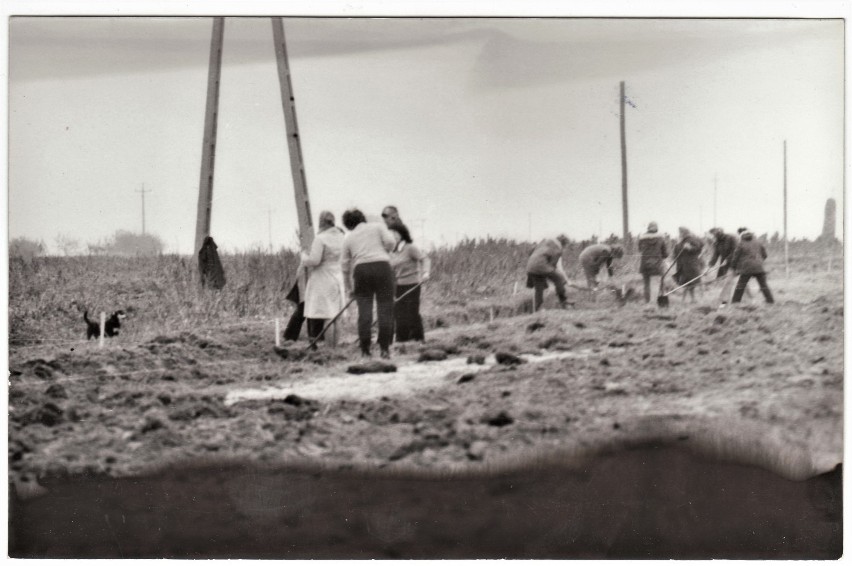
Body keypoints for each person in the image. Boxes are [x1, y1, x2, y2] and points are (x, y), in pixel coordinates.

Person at [341, 208, 397, 358]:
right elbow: (391, 242)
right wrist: (385, 250)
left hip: (361, 271)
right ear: (363, 218)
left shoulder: (349, 237)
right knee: (385, 308)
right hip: (382, 268)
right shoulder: (377, 227)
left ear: (348, 225)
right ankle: (384, 349)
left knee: (364, 312)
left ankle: (365, 350)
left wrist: (349, 288)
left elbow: (344, 266)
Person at [300, 211, 346, 347]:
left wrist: (303, 257)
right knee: (336, 315)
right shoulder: (341, 237)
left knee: (327, 315)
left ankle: (329, 348)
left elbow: (314, 260)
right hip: (337, 277)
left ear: (321, 222)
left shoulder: (320, 238)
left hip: (323, 278)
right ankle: (335, 347)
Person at [389, 222, 431, 342]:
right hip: (398, 286)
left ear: (401, 234)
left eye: (394, 234)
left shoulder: (410, 248)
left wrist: (425, 273)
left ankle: (418, 340)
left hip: (413, 284)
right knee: (399, 314)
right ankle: (402, 341)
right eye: (390, 235)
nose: (392, 237)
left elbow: (425, 259)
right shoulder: (392, 252)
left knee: (412, 312)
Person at [525, 235, 571, 311]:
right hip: (541, 266)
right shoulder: (558, 249)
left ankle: (538, 308)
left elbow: (531, 251)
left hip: (530, 267)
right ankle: (563, 301)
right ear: (564, 244)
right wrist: (564, 280)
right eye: (566, 246)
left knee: (539, 288)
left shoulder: (544, 242)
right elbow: (554, 266)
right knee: (559, 279)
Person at [730, 229, 774, 304]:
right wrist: (759, 261)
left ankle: (735, 302)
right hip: (759, 267)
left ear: (741, 236)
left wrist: (733, 267)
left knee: (740, 286)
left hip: (746, 268)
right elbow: (765, 255)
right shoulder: (758, 242)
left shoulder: (741, 243)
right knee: (763, 285)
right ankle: (770, 301)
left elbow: (735, 257)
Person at [672, 226, 705, 302]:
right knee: (687, 283)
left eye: (681, 232)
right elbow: (676, 253)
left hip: (692, 264)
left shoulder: (691, 239)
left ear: (684, 232)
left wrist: (690, 248)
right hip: (683, 265)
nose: (680, 234)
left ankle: (701, 297)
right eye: (679, 232)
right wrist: (676, 247)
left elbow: (699, 248)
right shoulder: (681, 241)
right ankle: (691, 299)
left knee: (695, 281)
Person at [637, 222, 668, 303]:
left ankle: (647, 301)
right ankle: (653, 302)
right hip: (657, 264)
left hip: (645, 264)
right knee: (656, 283)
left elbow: (640, 249)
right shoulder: (660, 238)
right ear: (656, 228)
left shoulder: (642, 238)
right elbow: (665, 254)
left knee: (646, 284)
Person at [708, 227, 738, 306]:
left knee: (728, 282)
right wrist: (710, 265)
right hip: (725, 265)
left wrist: (728, 259)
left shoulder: (731, 238)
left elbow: (736, 250)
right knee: (731, 282)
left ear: (719, 232)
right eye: (712, 235)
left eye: (714, 234)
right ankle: (748, 300)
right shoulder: (717, 242)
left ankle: (723, 303)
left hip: (735, 263)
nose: (714, 236)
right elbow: (715, 255)